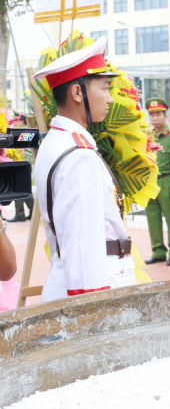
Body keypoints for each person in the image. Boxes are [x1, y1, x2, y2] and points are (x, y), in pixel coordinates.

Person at [33, 37, 138, 302]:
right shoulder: (79, 156)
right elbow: (82, 251)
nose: (111, 99)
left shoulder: (58, 141)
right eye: (104, 88)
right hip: (92, 292)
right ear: (78, 93)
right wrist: (92, 318)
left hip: (79, 285)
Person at [143, 98, 170, 266]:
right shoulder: (147, 136)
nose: (155, 118)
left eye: (158, 114)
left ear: (166, 116)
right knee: (152, 218)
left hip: (166, 180)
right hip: (150, 182)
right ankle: (158, 251)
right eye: (151, 115)